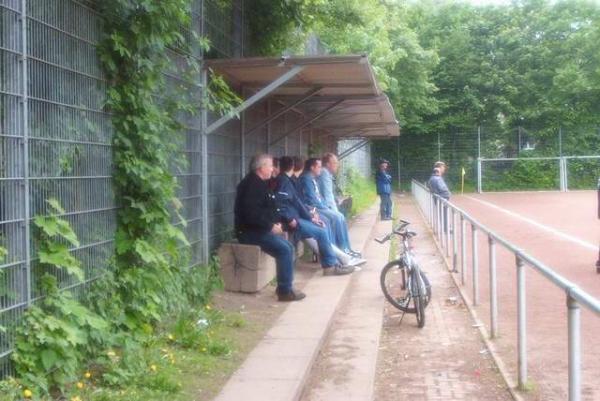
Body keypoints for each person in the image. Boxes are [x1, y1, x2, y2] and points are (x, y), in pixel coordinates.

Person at [234, 154, 305, 302]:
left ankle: (285, 287)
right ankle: (285, 291)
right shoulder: (251, 185)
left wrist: (276, 223)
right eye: (270, 166)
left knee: (288, 247)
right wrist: (270, 226)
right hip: (250, 232)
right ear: (261, 168)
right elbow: (251, 214)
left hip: (260, 229)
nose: (273, 169)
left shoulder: (260, 183)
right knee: (285, 250)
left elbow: (268, 209)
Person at [275, 156, 356, 276]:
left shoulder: (289, 180)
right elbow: (281, 204)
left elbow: (297, 203)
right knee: (322, 229)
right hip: (291, 220)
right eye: (271, 166)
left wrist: (310, 216)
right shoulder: (284, 181)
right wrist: (291, 218)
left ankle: (335, 260)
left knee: (323, 226)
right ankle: (331, 264)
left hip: (296, 218)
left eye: (274, 167)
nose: (273, 170)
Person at [299, 158, 361, 258]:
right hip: (313, 208)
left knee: (339, 216)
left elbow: (319, 197)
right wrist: (325, 207)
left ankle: (346, 249)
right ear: (312, 167)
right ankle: (340, 251)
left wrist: (325, 205)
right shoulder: (306, 178)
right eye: (318, 167)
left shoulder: (311, 178)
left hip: (318, 206)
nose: (320, 169)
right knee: (336, 217)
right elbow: (312, 199)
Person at [428, 164, 451, 232]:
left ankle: (446, 227)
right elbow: (443, 189)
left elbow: (430, 187)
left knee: (442, 214)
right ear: (439, 169)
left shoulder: (431, 178)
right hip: (442, 198)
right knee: (444, 214)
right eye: (443, 168)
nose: (444, 169)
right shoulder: (438, 178)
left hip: (437, 198)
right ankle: (446, 228)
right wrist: (448, 194)